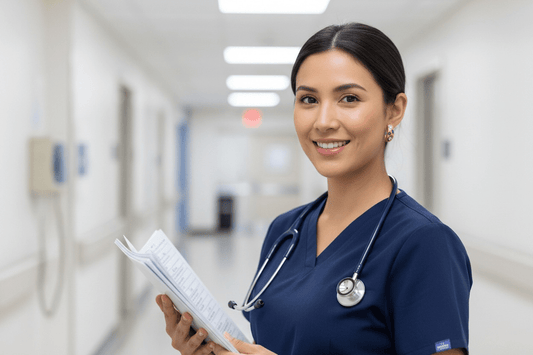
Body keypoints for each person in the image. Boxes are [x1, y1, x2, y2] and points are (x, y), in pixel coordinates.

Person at [156, 23, 472, 355]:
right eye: (308, 99)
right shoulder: (285, 230)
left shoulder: (424, 244)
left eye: (349, 98)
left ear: (393, 110)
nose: (323, 121)